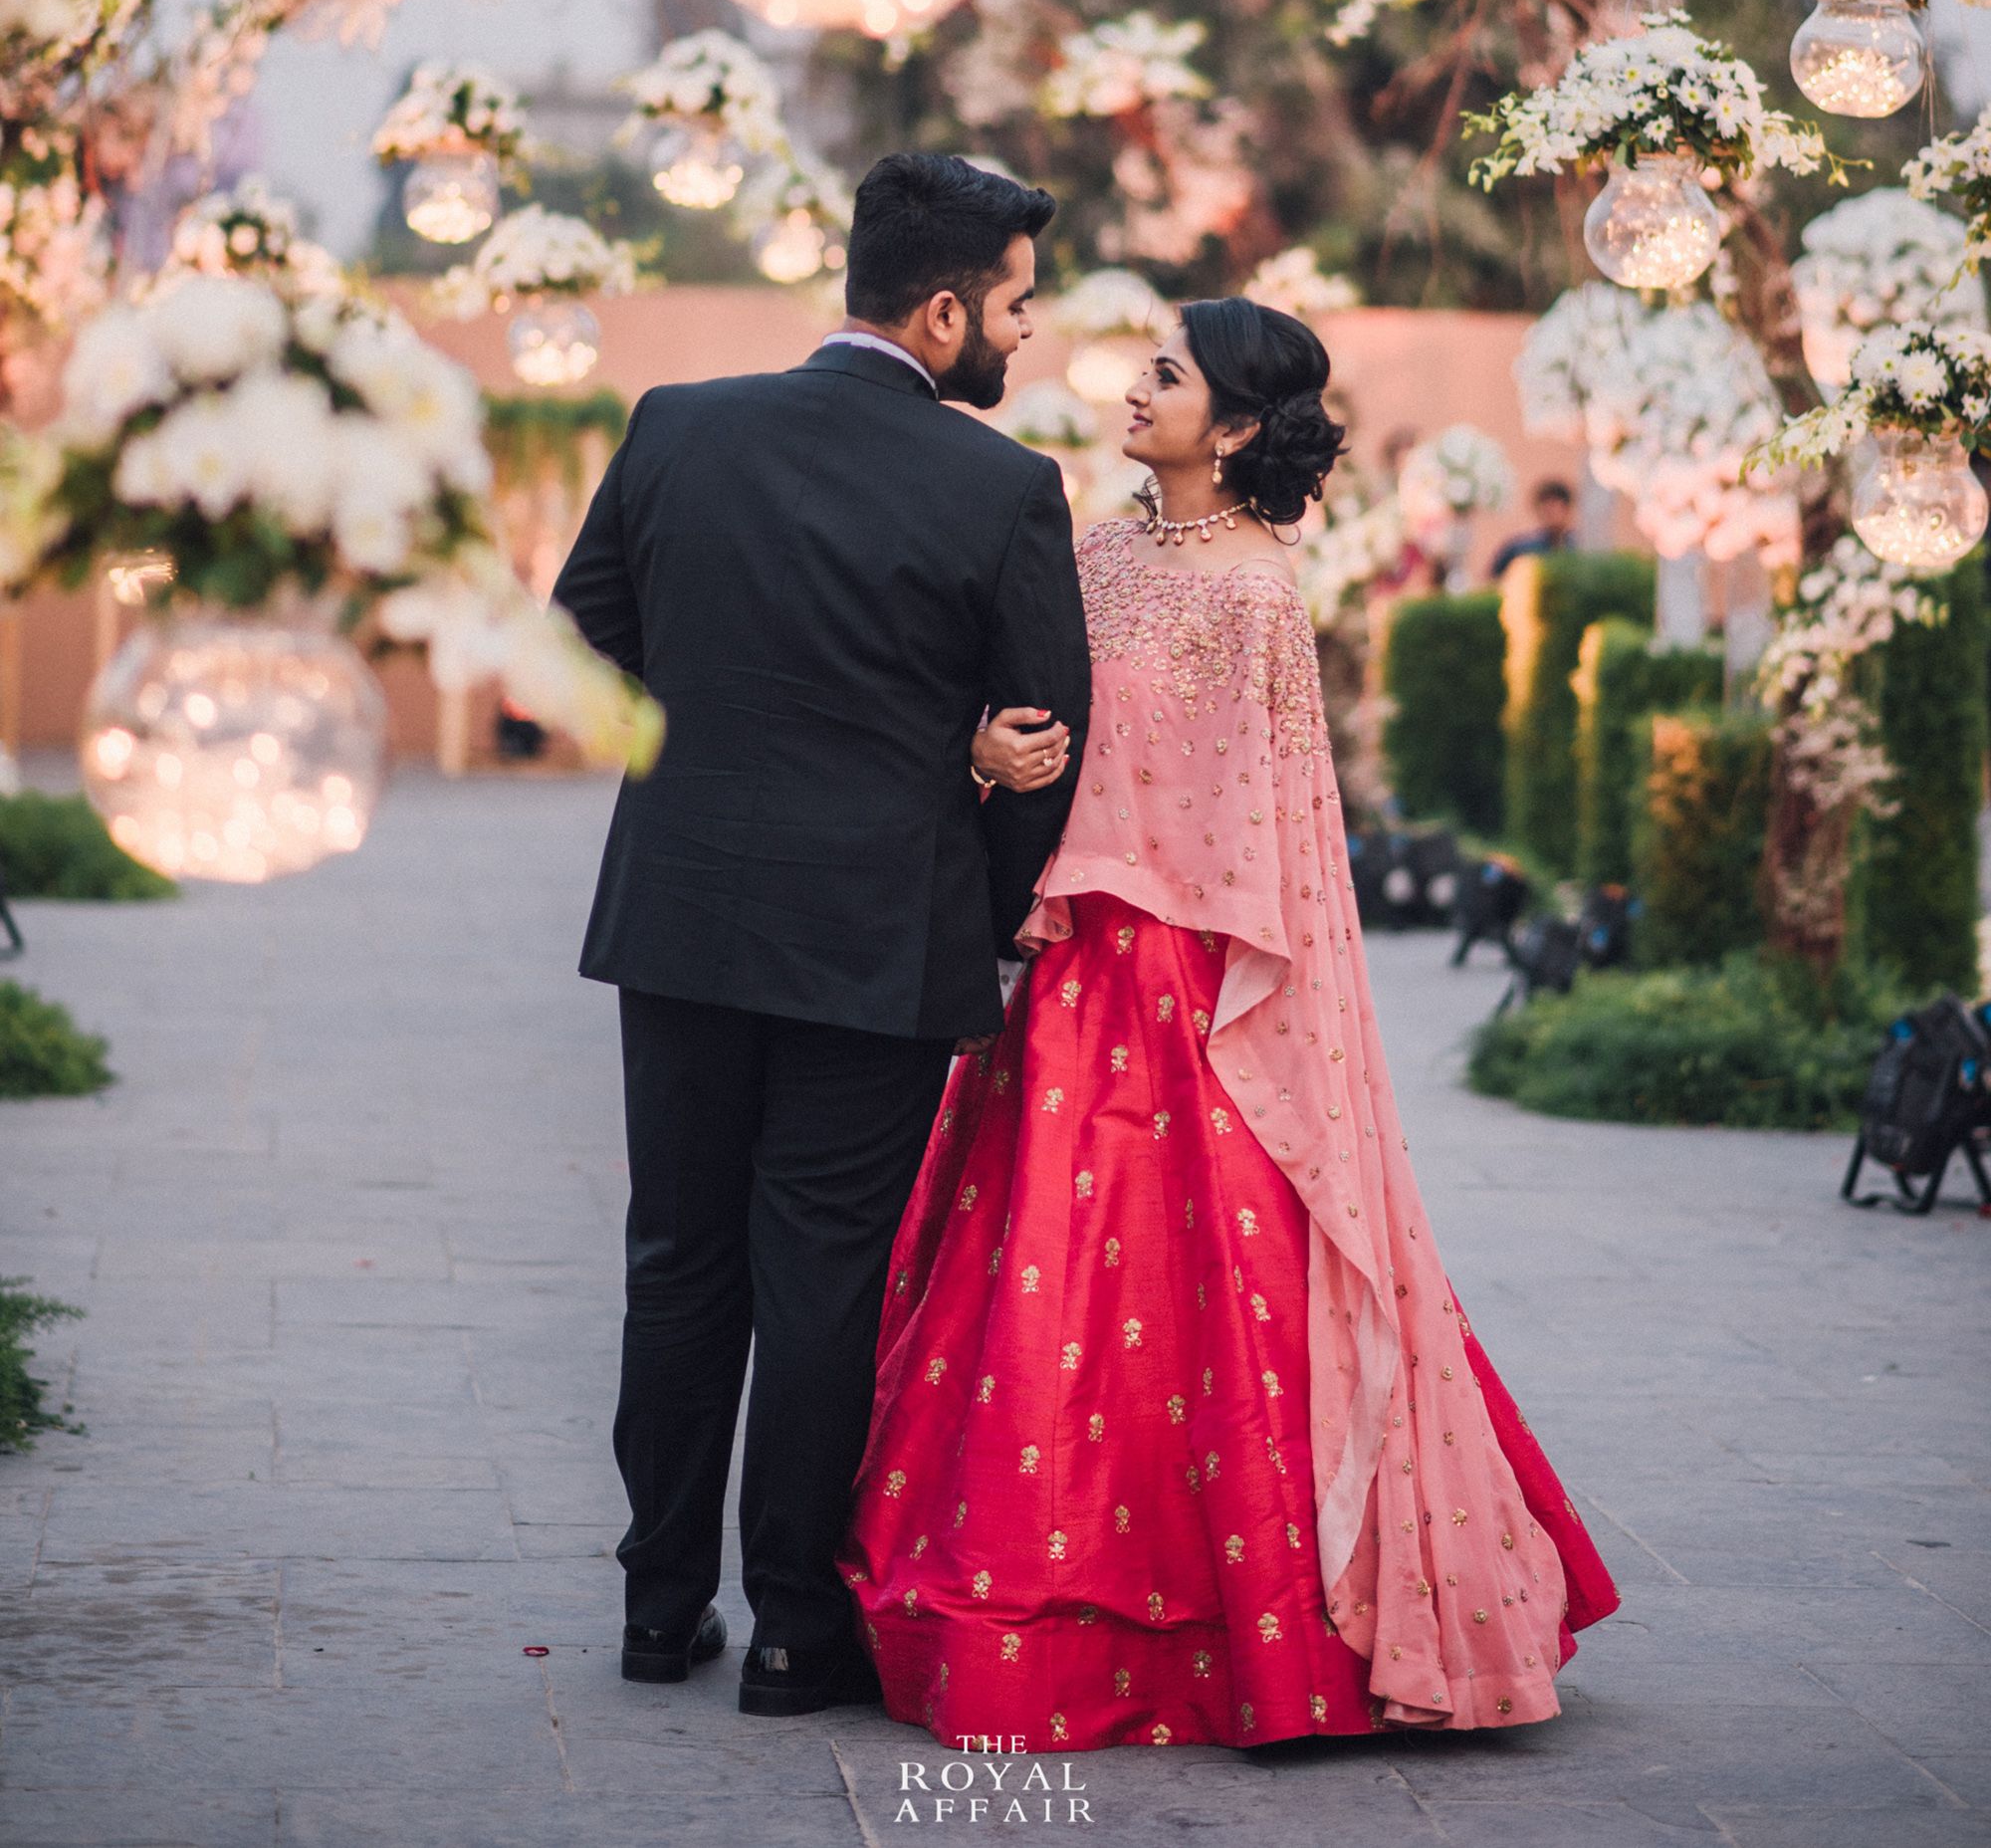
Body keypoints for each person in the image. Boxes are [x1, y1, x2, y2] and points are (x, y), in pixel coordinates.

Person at [842, 299, 1618, 1751]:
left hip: (1177, 976)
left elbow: (1262, 815)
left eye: (1168, 376)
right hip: (1068, 961)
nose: (1137, 392)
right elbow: (1042, 719)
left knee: (1188, 1282)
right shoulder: (1106, 546)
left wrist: (1098, 889)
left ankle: (1235, 1626)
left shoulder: (1258, 589)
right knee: (1024, 1275)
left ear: (1241, 425)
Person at [553, 151, 1092, 1720]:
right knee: (822, 1286)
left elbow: (589, 631)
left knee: (676, 1265)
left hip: (684, 912)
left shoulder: (676, 425)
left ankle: (659, 1612)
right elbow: (1041, 736)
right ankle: (793, 1629)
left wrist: (715, 724)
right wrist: (981, 893)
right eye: (1015, 307)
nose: (1024, 337)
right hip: (878, 937)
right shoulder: (1001, 488)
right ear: (940, 313)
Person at [1487, 476, 1577, 581]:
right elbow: (1494, 579)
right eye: (1546, 508)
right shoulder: (1519, 549)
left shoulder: (1580, 547)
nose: (1551, 512)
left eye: (1555, 507)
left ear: (1567, 508)